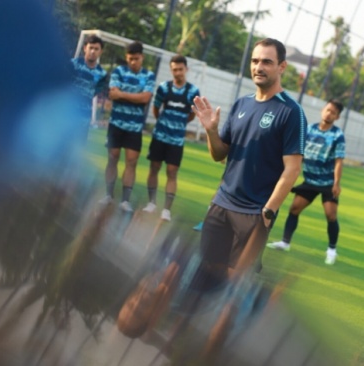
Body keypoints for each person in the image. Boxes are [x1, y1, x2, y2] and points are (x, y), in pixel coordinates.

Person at [191, 38, 306, 290]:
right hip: (222, 204)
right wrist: (211, 131)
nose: (259, 67)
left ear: (282, 66)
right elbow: (220, 154)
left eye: (267, 61)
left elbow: (292, 169)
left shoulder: (291, 112)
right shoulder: (241, 104)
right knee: (207, 272)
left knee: (234, 285)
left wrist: (268, 212)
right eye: (255, 61)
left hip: (254, 211)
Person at [266, 99, 346, 265]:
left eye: (333, 112)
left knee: (331, 215)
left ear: (337, 117)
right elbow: (298, 153)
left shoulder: (337, 135)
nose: (329, 114)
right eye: (327, 110)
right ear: (322, 110)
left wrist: (336, 183)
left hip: (326, 182)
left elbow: (339, 160)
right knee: (294, 209)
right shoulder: (308, 129)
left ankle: (332, 250)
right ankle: (285, 242)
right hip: (310, 180)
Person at [142, 55, 201, 221]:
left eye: (181, 69)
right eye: (175, 69)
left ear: (186, 69)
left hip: (176, 140)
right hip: (160, 136)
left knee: (172, 172)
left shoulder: (193, 91)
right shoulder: (163, 87)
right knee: (154, 168)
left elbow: (192, 115)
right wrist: (164, 123)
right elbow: (156, 108)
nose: (178, 73)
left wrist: (178, 124)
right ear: (171, 70)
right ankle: (152, 203)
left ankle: (166, 210)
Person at [99, 42, 155, 212]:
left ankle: (125, 201)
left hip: (135, 127)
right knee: (113, 158)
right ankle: (108, 195)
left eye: (136, 59)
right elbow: (113, 94)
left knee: (131, 162)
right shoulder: (118, 71)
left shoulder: (149, 75)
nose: (133, 62)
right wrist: (134, 96)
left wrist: (122, 94)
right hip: (116, 123)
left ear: (142, 57)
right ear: (126, 57)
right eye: (130, 59)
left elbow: (145, 98)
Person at [70, 34, 107, 142]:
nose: (93, 51)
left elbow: (94, 92)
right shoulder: (73, 64)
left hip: (84, 119)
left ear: (101, 52)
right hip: (66, 114)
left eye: (96, 49)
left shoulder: (102, 74)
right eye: (91, 47)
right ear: (85, 48)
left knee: (75, 154)